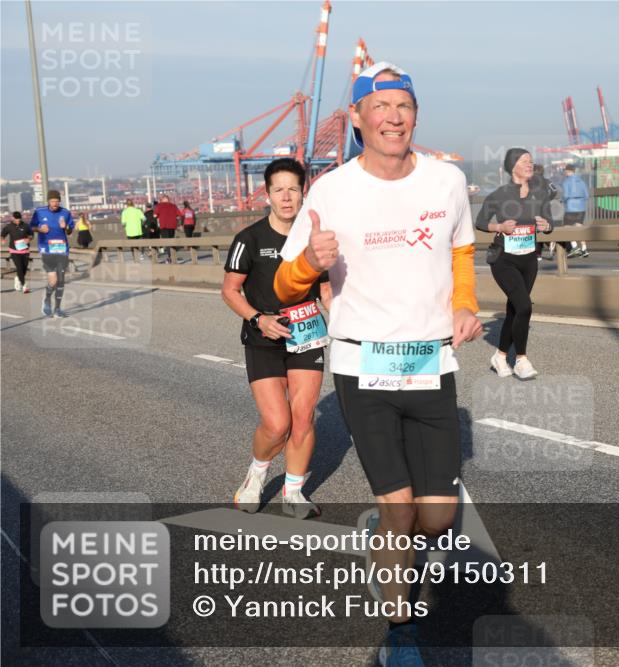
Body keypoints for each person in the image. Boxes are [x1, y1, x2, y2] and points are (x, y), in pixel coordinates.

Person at [272, 62, 482, 667]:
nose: (394, 117)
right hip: (362, 366)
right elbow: (285, 285)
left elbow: (462, 252)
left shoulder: (446, 181)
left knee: (436, 519)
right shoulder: (331, 191)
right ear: (357, 118)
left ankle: (387, 539)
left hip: (431, 363)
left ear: (416, 115)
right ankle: (399, 625)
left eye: (404, 106)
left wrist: (465, 305)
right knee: (399, 509)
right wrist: (310, 263)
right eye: (381, 106)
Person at [223, 158, 331, 520]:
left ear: (304, 193)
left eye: (293, 190)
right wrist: (259, 319)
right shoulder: (249, 239)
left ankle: (294, 492)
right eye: (279, 190)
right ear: (267, 195)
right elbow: (229, 291)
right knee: (277, 424)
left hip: (307, 335)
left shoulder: (314, 237)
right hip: (263, 338)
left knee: (303, 418)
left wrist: (346, 320)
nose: (286, 197)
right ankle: (256, 475)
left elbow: (327, 291)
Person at [476, 148, 553, 379]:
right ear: (512, 167)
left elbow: (549, 223)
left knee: (515, 310)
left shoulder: (540, 194)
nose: (530, 164)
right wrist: (499, 227)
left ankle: (500, 356)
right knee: (525, 307)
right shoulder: (499, 195)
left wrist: (546, 225)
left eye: (531, 161)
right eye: (524, 161)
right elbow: (480, 222)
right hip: (504, 259)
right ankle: (521, 360)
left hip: (529, 259)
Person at [30, 190, 74, 318]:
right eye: (52, 201)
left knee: (61, 281)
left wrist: (66, 227)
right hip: (47, 249)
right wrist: (40, 229)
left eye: (57, 201)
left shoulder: (65, 213)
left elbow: (70, 230)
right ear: (48, 201)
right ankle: (47, 299)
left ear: (59, 201)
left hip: (62, 250)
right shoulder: (39, 212)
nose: (55, 203)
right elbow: (31, 227)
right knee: (53, 281)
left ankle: (57, 309)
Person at [560, 163, 590, 258]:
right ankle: (584, 249)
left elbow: (566, 195)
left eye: (565, 171)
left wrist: (562, 200)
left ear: (567, 171)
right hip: (581, 208)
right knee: (579, 228)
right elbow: (587, 196)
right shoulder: (581, 181)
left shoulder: (566, 182)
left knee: (567, 228)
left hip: (570, 208)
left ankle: (575, 247)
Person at [2, 211, 32, 293]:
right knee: (19, 267)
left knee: (24, 268)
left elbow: (31, 235)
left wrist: (28, 239)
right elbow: (2, 235)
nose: (18, 220)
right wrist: (2, 240)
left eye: (19, 218)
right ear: (13, 218)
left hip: (25, 250)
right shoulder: (9, 226)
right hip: (14, 250)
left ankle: (18, 278)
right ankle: (24, 286)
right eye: (16, 218)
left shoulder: (26, 226)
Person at [154, 195, 181, 263]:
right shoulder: (173, 206)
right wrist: (175, 220)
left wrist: (159, 216)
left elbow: (155, 215)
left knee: (167, 241)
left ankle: (170, 257)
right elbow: (179, 215)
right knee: (171, 240)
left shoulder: (159, 206)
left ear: (162, 200)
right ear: (168, 199)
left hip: (164, 226)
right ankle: (172, 256)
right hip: (172, 226)